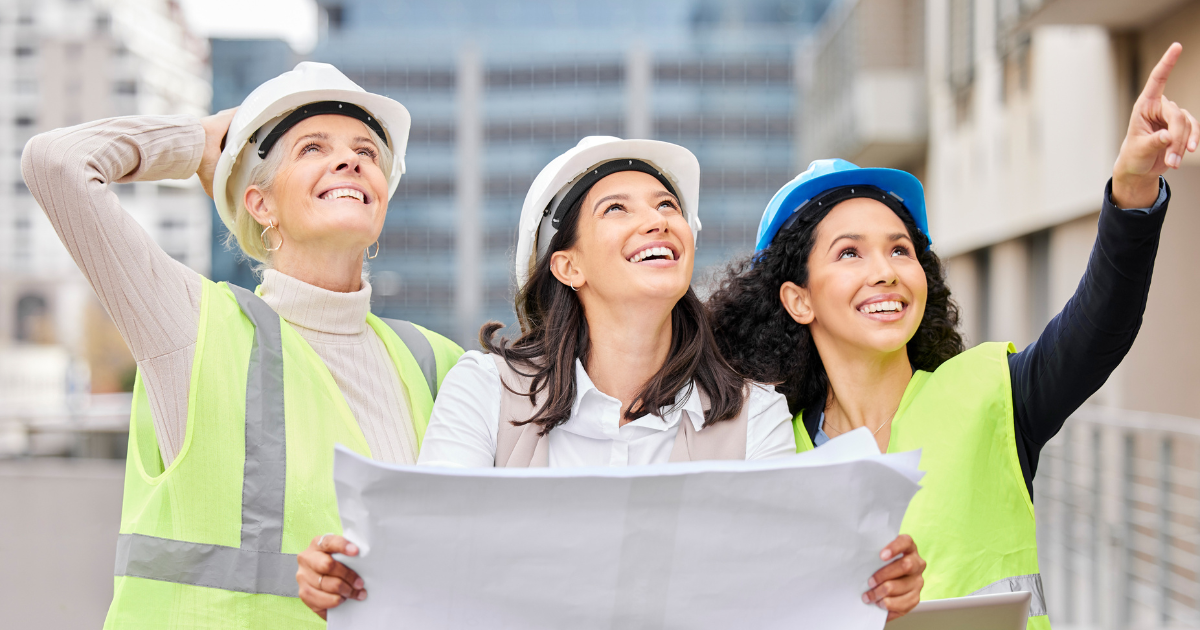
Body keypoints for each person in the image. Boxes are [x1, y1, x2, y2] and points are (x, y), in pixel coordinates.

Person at [298, 136, 927, 621]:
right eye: (617, 209)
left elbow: (779, 585)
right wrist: (348, 576)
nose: (656, 221)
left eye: (667, 207)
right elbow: (430, 558)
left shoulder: (752, 411)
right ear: (567, 265)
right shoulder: (486, 389)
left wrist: (865, 586)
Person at [705, 44, 1198, 630]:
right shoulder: (773, 452)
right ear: (798, 298)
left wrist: (1132, 189)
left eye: (900, 249)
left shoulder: (992, 393)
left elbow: (1103, 324)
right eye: (849, 252)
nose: (885, 270)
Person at [22, 62, 462, 629]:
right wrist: (195, 144)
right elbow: (56, 163)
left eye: (368, 152)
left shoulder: (437, 365)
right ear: (260, 204)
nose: (351, 159)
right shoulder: (190, 327)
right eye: (312, 148)